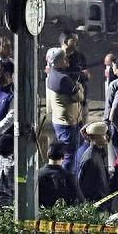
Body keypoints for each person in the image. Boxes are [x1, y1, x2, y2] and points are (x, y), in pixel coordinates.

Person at [46, 47, 86, 175]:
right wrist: (79, 86)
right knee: (69, 155)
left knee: (71, 152)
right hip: (68, 123)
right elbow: (79, 97)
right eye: (64, 58)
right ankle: (67, 179)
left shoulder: (52, 75)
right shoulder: (63, 79)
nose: (66, 60)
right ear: (57, 61)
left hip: (62, 120)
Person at [75, 122, 112, 204]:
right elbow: (86, 188)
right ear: (95, 137)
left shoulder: (99, 152)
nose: (107, 137)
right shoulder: (90, 159)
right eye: (103, 135)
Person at [38, 142, 83, 208]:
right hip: (64, 213)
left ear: (47, 154)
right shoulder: (69, 177)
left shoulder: (37, 175)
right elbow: (80, 201)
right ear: (63, 157)